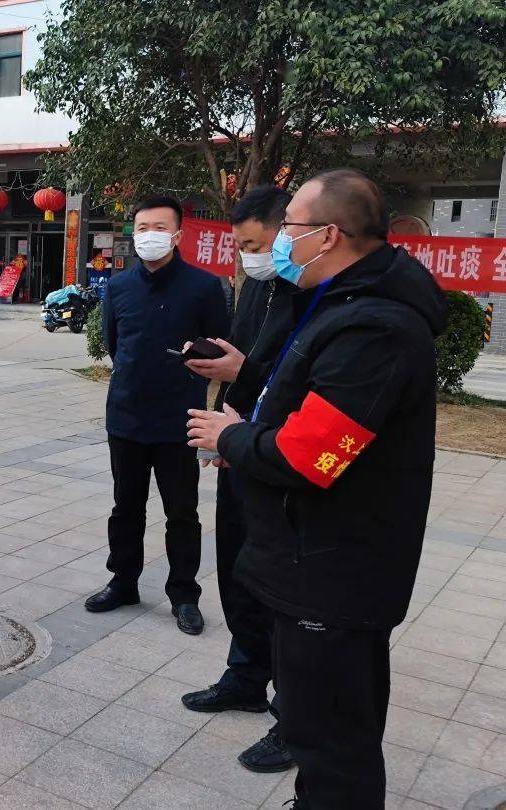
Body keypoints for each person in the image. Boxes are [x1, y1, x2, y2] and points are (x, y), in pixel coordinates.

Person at [188, 169, 445, 808]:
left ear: (328, 236)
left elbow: (312, 457)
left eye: (289, 231)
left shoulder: (374, 328)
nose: (280, 243)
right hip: (313, 561)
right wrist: (251, 438)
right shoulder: (341, 303)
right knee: (318, 731)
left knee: (333, 746)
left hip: (334, 575)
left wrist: (231, 439)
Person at [179, 185, 296, 773]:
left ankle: (293, 717)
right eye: (241, 245)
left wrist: (242, 371)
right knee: (238, 566)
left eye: (256, 244)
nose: (248, 255)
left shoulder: (315, 292)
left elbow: (300, 381)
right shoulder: (255, 287)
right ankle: (245, 676)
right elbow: (245, 359)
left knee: (281, 585)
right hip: (241, 446)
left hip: (285, 459)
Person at [85, 195, 229, 635]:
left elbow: (219, 351)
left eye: (159, 227)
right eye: (142, 227)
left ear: (178, 234)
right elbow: (115, 344)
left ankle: (184, 594)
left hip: (180, 420)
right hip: (126, 415)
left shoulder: (204, 287)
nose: (150, 235)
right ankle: (123, 581)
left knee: (181, 512)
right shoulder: (120, 286)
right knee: (124, 507)